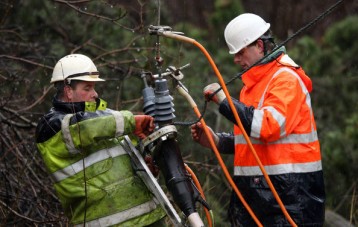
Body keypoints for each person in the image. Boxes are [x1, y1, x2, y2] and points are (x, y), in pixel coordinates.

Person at [191, 13, 325, 226]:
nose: (236, 59)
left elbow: (267, 127)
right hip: (260, 199)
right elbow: (256, 144)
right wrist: (218, 141)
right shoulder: (252, 87)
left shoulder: (286, 80)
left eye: (240, 52)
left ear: (260, 46)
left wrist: (225, 101)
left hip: (289, 200)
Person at [35, 54, 166, 226]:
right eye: (87, 88)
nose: (95, 94)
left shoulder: (105, 119)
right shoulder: (51, 126)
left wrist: (143, 165)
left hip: (150, 218)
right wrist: (131, 121)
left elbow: (116, 152)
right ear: (68, 90)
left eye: (94, 88)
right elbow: (85, 127)